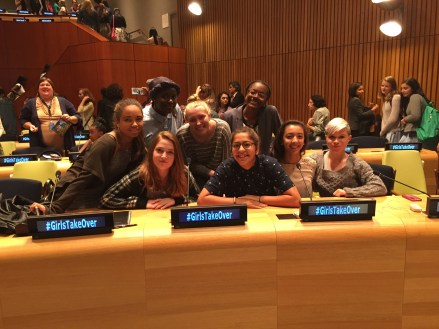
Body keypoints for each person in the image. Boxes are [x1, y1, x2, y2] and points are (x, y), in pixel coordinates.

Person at [30, 98, 146, 214]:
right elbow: (83, 178)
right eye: (127, 120)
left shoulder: (137, 143)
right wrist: (56, 208)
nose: (135, 124)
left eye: (139, 119)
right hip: (75, 200)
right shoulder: (107, 143)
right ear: (117, 122)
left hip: (100, 200)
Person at [197, 127, 301, 208]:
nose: (241, 150)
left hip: (266, 215)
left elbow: (296, 199)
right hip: (237, 217)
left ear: (257, 149)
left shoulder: (269, 164)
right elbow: (202, 200)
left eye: (246, 144)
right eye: (236, 145)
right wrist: (239, 201)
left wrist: (258, 199)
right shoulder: (226, 166)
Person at [101, 131, 188, 209]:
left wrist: (175, 200)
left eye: (170, 152)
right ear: (151, 152)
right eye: (159, 150)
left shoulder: (183, 172)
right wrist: (142, 203)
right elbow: (106, 199)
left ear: (176, 156)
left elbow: (196, 198)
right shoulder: (139, 175)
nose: (164, 156)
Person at [309, 117, 387, 197]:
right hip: (323, 208)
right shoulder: (315, 159)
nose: (336, 141)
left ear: (349, 139)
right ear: (326, 138)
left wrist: (348, 192)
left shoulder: (356, 162)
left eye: (341, 137)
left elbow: (380, 187)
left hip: (350, 207)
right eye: (332, 137)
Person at [177, 100, 231, 190]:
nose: (198, 123)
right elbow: (187, 165)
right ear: (186, 121)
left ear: (209, 116)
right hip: (195, 176)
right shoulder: (182, 135)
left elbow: (226, 161)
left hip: (222, 174)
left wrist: (217, 176)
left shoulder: (222, 128)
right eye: (192, 120)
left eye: (202, 117)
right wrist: (209, 172)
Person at [19, 77, 80, 154]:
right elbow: (22, 119)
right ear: (38, 89)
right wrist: (30, 126)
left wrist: (70, 118)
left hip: (65, 146)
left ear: (52, 88)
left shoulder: (63, 101)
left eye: (47, 85)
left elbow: (77, 116)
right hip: (40, 147)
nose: (45, 86)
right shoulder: (31, 103)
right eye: (42, 85)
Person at [224, 80, 282, 155]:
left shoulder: (270, 112)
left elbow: (282, 136)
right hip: (237, 162)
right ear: (246, 94)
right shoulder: (229, 116)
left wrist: (272, 153)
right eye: (252, 92)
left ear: (266, 101)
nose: (255, 96)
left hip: (263, 163)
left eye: (261, 95)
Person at [273, 120, 315, 198]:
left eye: (300, 136)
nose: (295, 141)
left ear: (304, 141)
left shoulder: (312, 164)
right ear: (281, 140)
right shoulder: (272, 165)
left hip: (304, 210)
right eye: (289, 137)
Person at [142, 76, 183, 147]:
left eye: (173, 97)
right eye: (165, 97)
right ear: (153, 98)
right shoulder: (143, 119)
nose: (171, 101)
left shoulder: (176, 109)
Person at [399, 78, 427, 143]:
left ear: (413, 89)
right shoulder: (418, 97)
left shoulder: (415, 97)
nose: (402, 91)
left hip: (413, 133)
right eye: (401, 88)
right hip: (414, 132)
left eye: (405, 88)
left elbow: (415, 116)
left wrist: (404, 119)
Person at [378, 76, 402, 143]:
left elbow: (393, 118)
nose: (383, 88)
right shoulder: (386, 99)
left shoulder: (396, 97)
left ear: (392, 87)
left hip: (393, 132)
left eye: (386, 86)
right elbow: (385, 117)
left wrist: (382, 131)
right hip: (386, 132)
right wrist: (382, 131)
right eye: (382, 85)